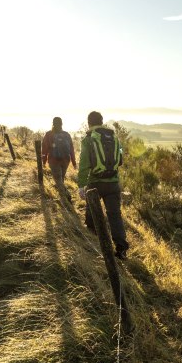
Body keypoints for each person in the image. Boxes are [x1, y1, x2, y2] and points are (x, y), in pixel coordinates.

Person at [77, 111, 129, 260]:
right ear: (102, 121)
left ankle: (92, 240)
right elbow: (120, 159)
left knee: (92, 212)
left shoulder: (88, 139)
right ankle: (121, 249)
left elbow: (84, 165)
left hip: (95, 183)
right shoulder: (114, 138)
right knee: (115, 216)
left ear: (89, 123)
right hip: (113, 183)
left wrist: (81, 185)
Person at [41, 117, 77, 200]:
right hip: (66, 160)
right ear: (62, 124)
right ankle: (63, 198)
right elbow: (71, 149)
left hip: (54, 160)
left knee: (58, 180)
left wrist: (44, 161)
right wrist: (74, 162)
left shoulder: (49, 134)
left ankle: (67, 196)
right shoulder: (66, 134)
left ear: (53, 124)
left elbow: (44, 148)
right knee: (61, 179)